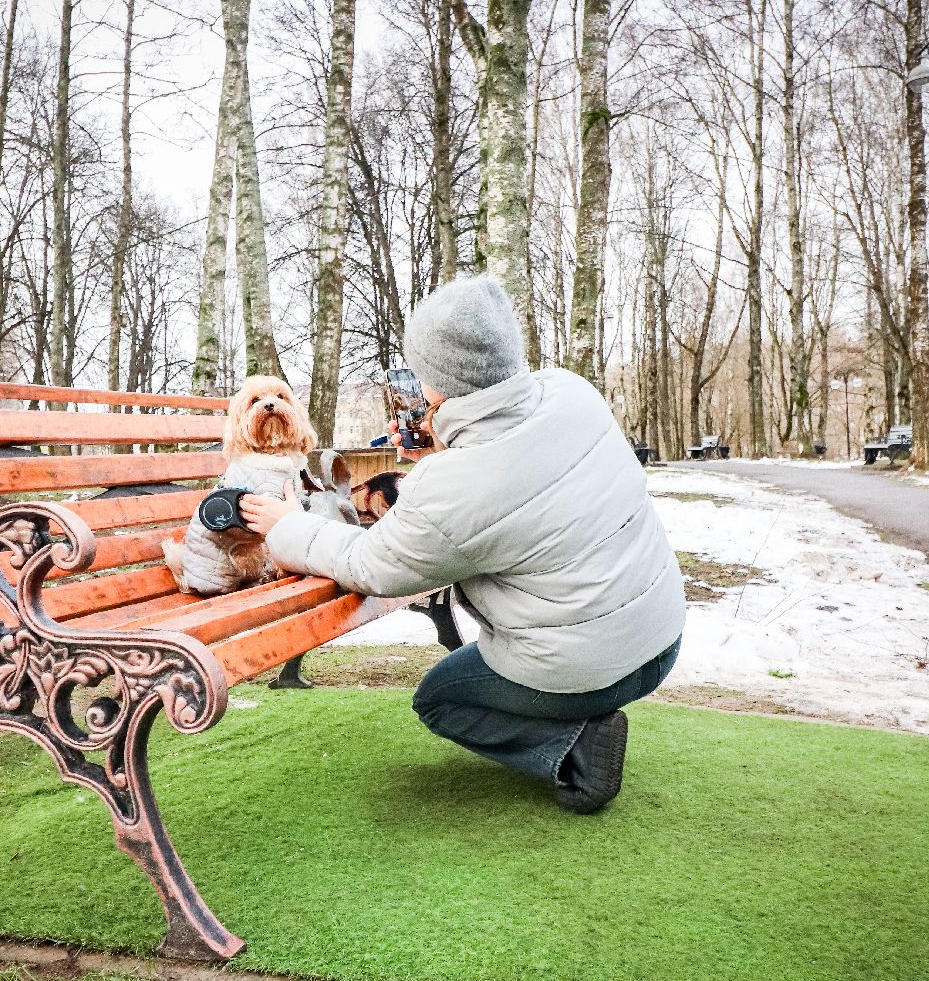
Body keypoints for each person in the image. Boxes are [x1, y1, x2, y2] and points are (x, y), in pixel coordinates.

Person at [241, 276, 685, 813]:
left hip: (586, 668)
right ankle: (582, 712)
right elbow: (520, 477)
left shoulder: (456, 485)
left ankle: (574, 749)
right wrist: (443, 453)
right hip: (661, 643)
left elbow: (370, 565)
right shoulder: (572, 391)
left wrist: (288, 525)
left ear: (437, 383)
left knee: (440, 699)